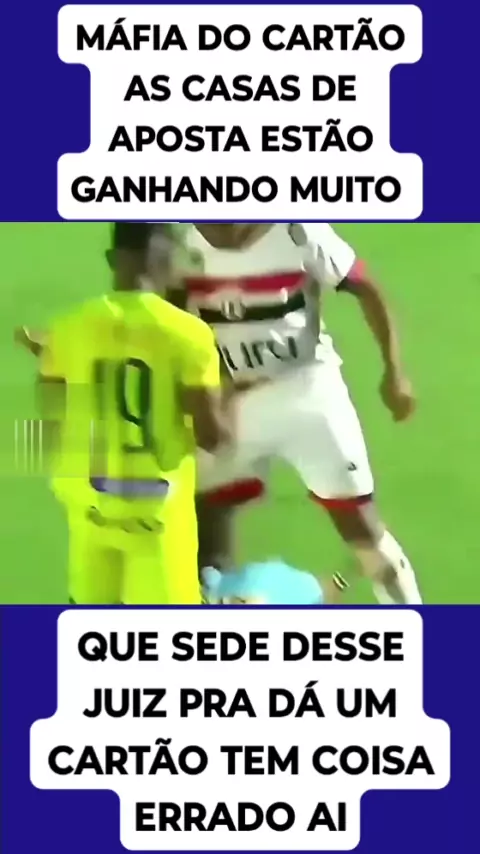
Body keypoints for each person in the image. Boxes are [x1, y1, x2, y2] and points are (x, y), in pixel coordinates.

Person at [168, 222, 422, 606]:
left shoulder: (298, 229)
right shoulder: (179, 236)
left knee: (362, 528)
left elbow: (366, 287)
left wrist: (394, 373)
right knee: (207, 531)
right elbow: (169, 317)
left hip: (306, 389)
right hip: (230, 401)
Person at [24, 222, 230, 605]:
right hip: (156, 512)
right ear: (168, 263)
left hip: (90, 504)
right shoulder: (190, 334)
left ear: (112, 259)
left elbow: (53, 412)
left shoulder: (67, 328)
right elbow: (212, 436)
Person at [202, 563, 348, 605]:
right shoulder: (310, 584)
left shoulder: (311, 585)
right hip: (255, 590)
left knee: (255, 600)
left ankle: (217, 597)